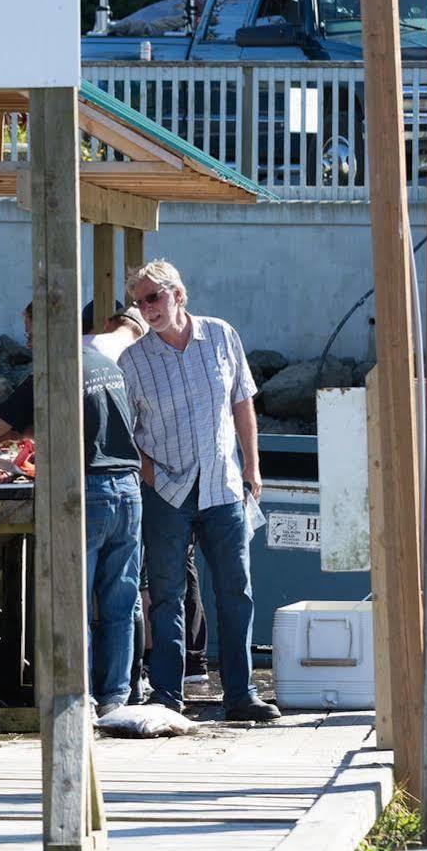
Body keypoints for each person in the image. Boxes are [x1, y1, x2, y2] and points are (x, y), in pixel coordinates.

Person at [119, 260, 280, 723]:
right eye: (140, 300)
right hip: (166, 490)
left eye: (154, 297)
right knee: (166, 595)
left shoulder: (222, 335)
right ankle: (167, 696)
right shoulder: (133, 360)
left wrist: (252, 466)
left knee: (237, 591)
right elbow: (126, 434)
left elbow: (242, 401)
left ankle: (241, 693)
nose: (147, 308)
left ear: (178, 294)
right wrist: (153, 477)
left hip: (223, 483)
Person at [0, 297, 150, 716]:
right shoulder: (104, 361)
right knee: (120, 602)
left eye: (29, 333)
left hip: (88, 491)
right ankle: (117, 697)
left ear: (45, 331)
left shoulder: (51, 368)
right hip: (128, 489)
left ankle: (75, 698)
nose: (28, 342)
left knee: (73, 602)